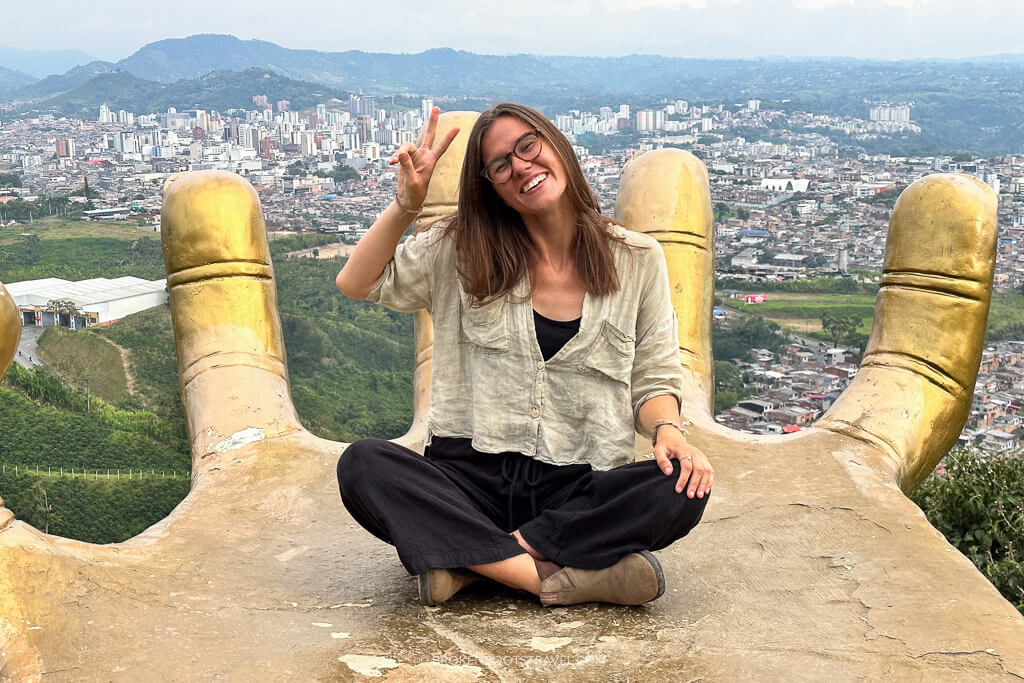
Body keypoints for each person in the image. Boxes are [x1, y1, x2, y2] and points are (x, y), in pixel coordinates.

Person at [335, 103, 713, 607]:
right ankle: (548, 579)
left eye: (527, 146)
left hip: (574, 486)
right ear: (489, 184)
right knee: (363, 464)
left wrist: (669, 432)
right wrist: (406, 205)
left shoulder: (637, 258)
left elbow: (654, 378)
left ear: (554, 143)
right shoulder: (459, 250)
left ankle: (470, 565)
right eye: (500, 165)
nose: (521, 167)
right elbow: (357, 282)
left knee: (683, 488)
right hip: (468, 476)